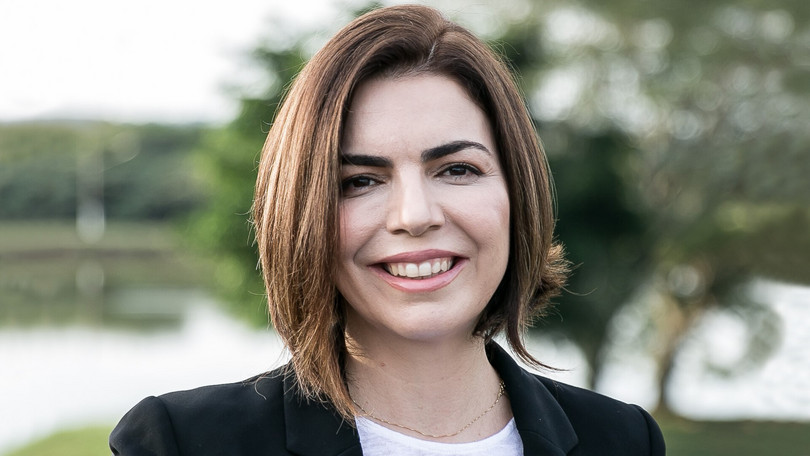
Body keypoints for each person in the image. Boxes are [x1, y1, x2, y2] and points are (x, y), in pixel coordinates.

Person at [110, 5, 665, 455]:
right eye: (359, 181)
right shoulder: (180, 442)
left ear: (518, 194)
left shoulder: (621, 440)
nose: (415, 215)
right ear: (300, 215)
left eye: (456, 170)